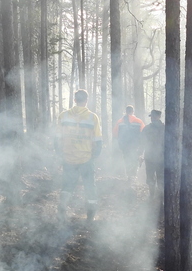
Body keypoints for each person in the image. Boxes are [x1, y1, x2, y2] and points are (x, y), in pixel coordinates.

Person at [57, 89, 102, 221]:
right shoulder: (92, 117)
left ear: (75, 100)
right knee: (89, 186)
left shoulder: (63, 116)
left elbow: (57, 139)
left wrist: (60, 155)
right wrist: (95, 156)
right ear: (86, 100)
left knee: (67, 185)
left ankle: (62, 210)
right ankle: (91, 216)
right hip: (86, 158)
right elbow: (98, 140)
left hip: (68, 157)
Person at [113, 105, 144, 178]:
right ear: (133, 112)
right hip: (135, 145)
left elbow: (115, 133)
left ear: (126, 111)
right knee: (135, 159)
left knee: (127, 159)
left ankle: (129, 175)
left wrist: (120, 142)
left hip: (124, 146)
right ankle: (134, 175)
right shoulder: (139, 121)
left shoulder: (120, 121)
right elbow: (143, 133)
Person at [141, 109, 165, 196]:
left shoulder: (165, 128)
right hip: (150, 157)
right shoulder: (146, 129)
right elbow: (142, 142)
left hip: (161, 158)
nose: (152, 118)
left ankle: (160, 197)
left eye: (154, 116)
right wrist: (140, 154)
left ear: (159, 117)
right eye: (151, 117)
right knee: (151, 177)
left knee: (160, 178)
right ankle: (153, 195)